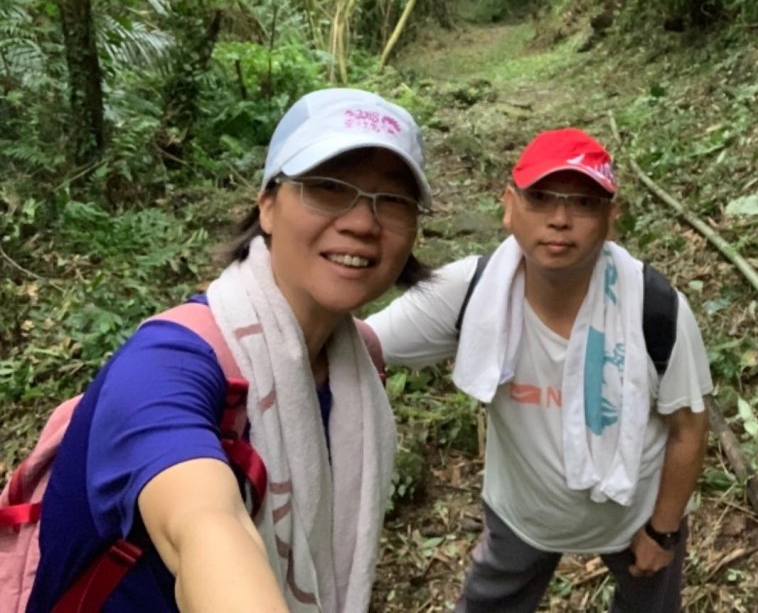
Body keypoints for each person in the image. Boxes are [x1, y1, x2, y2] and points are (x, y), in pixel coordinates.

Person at [27, 87, 433, 612]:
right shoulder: (163, 367)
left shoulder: (357, 361)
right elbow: (204, 525)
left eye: (393, 200)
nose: (362, 222)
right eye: (329, 189)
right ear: (267, 205)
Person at [361, 128, 713, 612]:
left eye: (584, 203)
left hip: (636, 512)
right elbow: (366, 342)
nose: (561, 220)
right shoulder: (474, 290)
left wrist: (664, 530)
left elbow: (688, 426)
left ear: (612, 219)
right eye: (541, 197)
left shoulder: (655, 308)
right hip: (521, 514)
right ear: (509, 206)